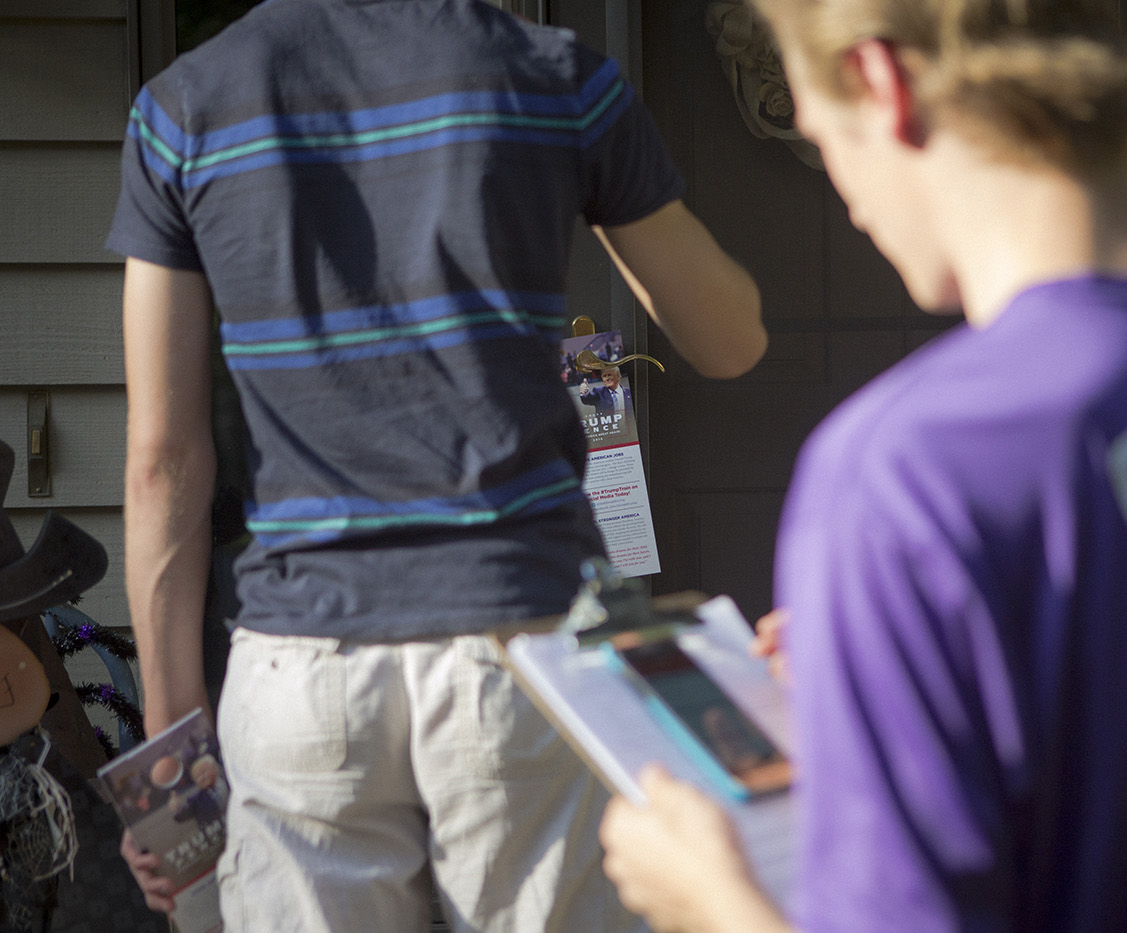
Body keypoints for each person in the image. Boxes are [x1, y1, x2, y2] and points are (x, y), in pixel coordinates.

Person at [598, 0, 1127, 931]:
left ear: (882, 82)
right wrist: (912, 656)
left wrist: (708, 899)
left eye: (821, 135)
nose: (848, 200)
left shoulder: (912, 467)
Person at [107, 1, 766, 930]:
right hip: (522, 652)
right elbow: (729, 339)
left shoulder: (184, 105)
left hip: (303, 673)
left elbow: (161, 458)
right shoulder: (556, 76)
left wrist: (172, 755)